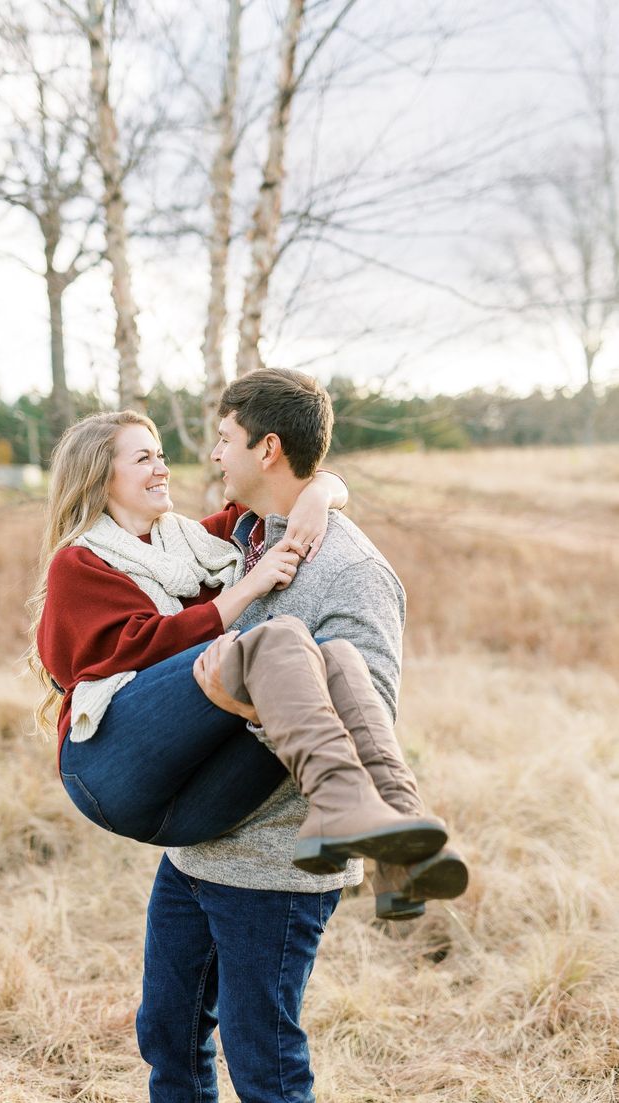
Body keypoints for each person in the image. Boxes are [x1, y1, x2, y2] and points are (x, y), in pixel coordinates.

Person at [136, 368, 468, 1103]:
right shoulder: (244, 540)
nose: (213, 455)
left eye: (224, 438)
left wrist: (235, 701)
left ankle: (404, 864)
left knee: (264, 1064)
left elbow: (368, 711)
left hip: (280, 863)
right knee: (167, 1034)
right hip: (199, 844)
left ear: (268, 448)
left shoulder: (351, 570)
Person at [29, 408, 447, 878]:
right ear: (100, 477)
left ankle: (403, 845)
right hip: (109, 770)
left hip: (193, 800)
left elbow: (277, 493)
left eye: (161, 455)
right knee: (280, 637)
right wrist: (247, 588)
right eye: (144, 458)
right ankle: (346, 809)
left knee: (332, 654)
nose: (163, 468)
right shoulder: (79, 563)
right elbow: (134, 649)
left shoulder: (193, 542)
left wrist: (320, 494)